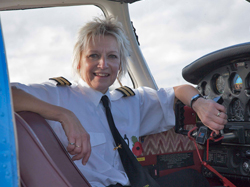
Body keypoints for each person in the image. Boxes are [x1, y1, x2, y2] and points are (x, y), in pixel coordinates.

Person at [11, 16, 227, 187]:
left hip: (132, 182)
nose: (103, 64)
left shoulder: (130, 101)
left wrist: (199, 103)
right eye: (93, 56)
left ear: (121, 65)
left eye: (112, 57)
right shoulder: (60, 95)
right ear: (78, 62)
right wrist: (64, 115)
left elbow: (178, 90)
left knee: (192, 179)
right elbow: (7, 94)